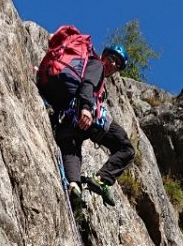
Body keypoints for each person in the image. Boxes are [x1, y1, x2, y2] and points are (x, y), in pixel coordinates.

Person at [48, 42, 135, 207]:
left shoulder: (89, 67)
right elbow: (88, 83)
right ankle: (101, 179)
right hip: (84, 116)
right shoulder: (97, 65)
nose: (113, 65)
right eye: (112, 58)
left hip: (67, 122)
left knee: (72, 151)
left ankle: (74, 186)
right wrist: (86, 108)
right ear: (104, 55)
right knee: (126, 148)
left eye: (118, 65)